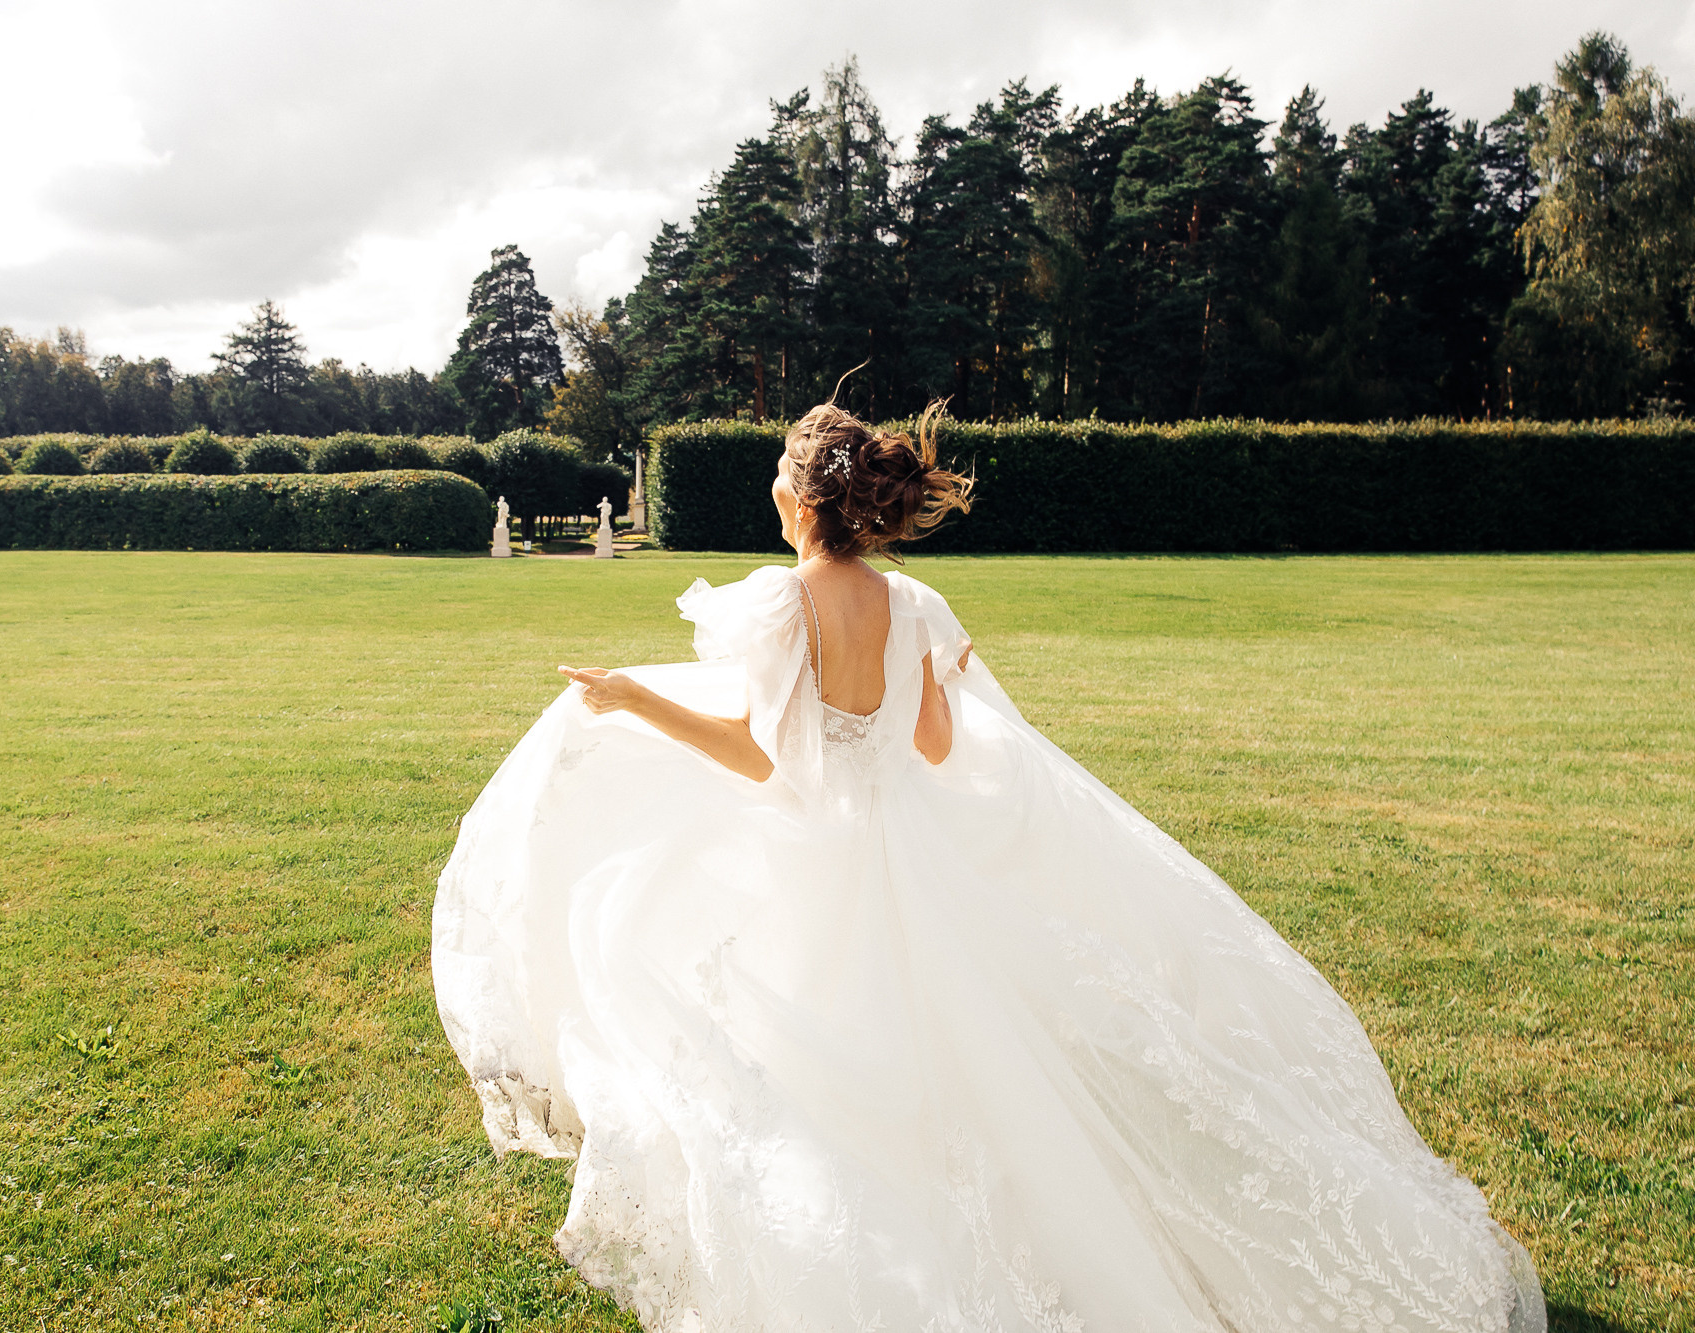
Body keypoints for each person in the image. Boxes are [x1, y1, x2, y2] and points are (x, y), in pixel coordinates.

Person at [432, 402, 1545, 1332]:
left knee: (765, 1016)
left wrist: (633, 701)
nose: (771, 481)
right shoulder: (909, 603)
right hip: (906, 848)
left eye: (779, 467)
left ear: (806, 497)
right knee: (963, 1048)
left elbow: (760, 753)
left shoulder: (781, 596)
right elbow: (927, 746)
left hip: (821, 861)